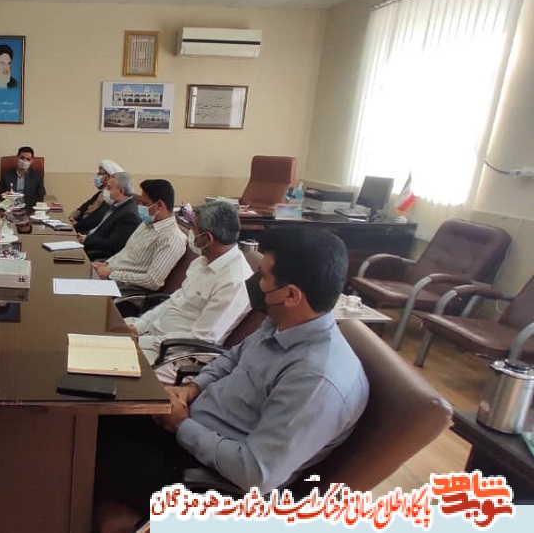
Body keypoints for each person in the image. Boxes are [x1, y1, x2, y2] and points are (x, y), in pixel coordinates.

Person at [94, 227, 369, 532]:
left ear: (291, 295)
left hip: (210, 483)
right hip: (192, 431)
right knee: (93, 415)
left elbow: (254, 474)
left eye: (262, 276)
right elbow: (230, 358)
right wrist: (191, 388)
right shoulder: (282, 325)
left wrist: (182, 425)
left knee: (83, 452)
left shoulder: (316, 380)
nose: (254, 283)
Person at [125, 201, 253, 382]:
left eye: (193, 228)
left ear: (207, 238)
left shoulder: (234, 281)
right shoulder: (203, 261)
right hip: (153, 336)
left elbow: (200, 341)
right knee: (97, 334)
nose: (189, 233)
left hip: (174, 358)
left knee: (102, 365)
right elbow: (173, 301)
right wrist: (138, 327)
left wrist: (141, 341)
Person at [91, 179, 185, 290]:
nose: (139, 206)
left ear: (159, 205)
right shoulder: (147, 223)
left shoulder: (171, 238)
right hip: (108, 275)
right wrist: (105, 264)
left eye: (144, 203)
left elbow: (152, 281)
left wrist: (110, 274)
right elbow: (125, 253)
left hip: (122, 289)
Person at [78, 171, 140, 261]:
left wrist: (86, 240)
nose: (105, 190)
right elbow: (93, 223)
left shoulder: (129, 215)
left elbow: (113, 245)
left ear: (121, 191)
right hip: (87, 244)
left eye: (109, 187)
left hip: (97, 256)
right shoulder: (112, 203)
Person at [69, 159, 123, 233]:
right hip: (80, 226)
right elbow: (84, 207)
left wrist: (77, 225)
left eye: (100, 174)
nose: (97, 177)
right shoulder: (100, 193)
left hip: (85, 231)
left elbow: (95, 219)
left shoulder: (109, 197)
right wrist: (72, 216)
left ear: (108, 177)